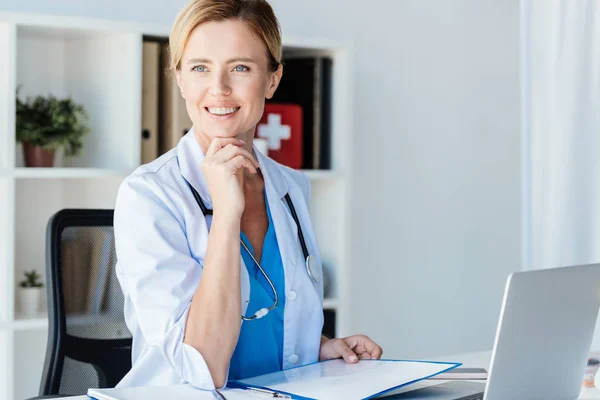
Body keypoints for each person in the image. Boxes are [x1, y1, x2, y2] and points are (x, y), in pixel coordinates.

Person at [113, 0, 383, 390]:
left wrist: (317, 347)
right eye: (200, 68)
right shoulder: (149, 195)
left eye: (240, 67)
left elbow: (271, 316)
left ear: (272, 80)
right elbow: (202, 366)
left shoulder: (290, 186)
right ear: (180, 79)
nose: (219, 88)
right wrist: (226, 214)